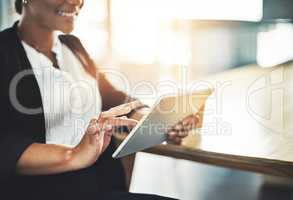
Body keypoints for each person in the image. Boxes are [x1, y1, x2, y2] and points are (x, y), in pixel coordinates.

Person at [0, 0, 198, 199]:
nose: (76, 1)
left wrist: (157, 121)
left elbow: (110, 97)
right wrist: (73, 154)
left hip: (98, 183)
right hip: (42, 190)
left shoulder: (72, 45)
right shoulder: (5, 53)